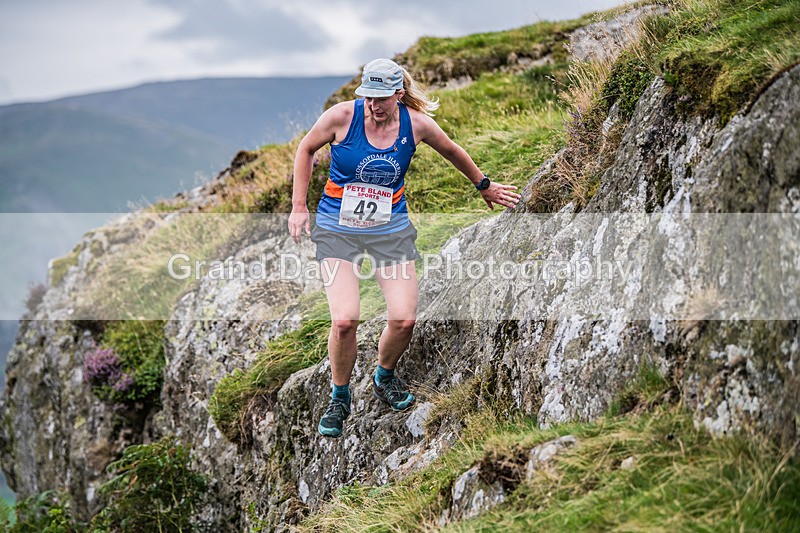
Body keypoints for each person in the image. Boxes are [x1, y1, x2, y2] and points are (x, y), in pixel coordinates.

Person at [288, 58, 520, 438]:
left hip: (389, 230)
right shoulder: (342, 117)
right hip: (336, 228)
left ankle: (384, 375)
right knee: (345, 320)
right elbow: (305, 150)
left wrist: (485, 186)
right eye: (368, 96)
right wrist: (299, 206)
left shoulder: (417, 125)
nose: (374, 105)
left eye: (381, 97)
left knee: (404, 319)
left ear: (398, 93)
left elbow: (452, 150)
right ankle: (339, 395)